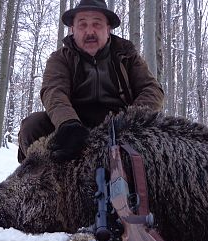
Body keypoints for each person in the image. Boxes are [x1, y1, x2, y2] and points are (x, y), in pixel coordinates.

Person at [17, 0, 164, 163]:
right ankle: (39, 180)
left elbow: (152, 89)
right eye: (82, 25)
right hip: (74, 124)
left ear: (108, 30)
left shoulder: (128, 56)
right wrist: (68, 123)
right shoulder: (60, 58)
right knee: (32, 125)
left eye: (97, 24)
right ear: (72, 29)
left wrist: (129, 120)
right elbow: (54, 91)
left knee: (162, 133)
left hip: (119, 125)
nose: (90, 31)